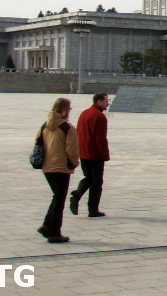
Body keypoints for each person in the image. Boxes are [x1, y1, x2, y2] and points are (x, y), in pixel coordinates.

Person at [37, 98, 80, 243]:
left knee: (57, 196)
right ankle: (55, 232)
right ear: (65, 109)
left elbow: (38, 143)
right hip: (61, 167)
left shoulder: (45, 126)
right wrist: (74, 163)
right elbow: (72, 150)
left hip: (47, 167)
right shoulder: (67, 128)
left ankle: (47, 226)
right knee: (59, 199)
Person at [70, 92, 111, 218]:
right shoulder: (100, 117)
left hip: (83, 152)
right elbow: (100, 139)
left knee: (88, 177)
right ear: (98, 102)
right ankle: (93, 209)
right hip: (95, 154)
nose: (107, 103)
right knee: (97, 182)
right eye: (105, 101)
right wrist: (105, 155)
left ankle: (77, 195)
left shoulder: (84, 113)